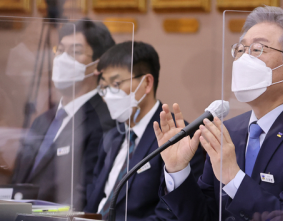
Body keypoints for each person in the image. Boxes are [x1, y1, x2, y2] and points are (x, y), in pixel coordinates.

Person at [154, 6, 283, 221]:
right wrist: (178, 171)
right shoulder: (231, 131)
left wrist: (234, 178)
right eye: (240, 50)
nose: (243, 59)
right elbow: (204, 216)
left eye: (257, 49)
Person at [84, 41, 205, 221]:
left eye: (116, 84)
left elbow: (171, 215)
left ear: (146, 83)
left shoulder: (178, 139)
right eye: (104, 87)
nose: (108, 95)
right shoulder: (113, 136)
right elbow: (93, 201)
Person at [11, 19, 116, 210]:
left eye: (74, 52)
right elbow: (19, 180)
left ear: (99, 65)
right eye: (59, 50)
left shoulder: (104, 121)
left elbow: (86, 195)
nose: (62, 59)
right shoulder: (43, 120)